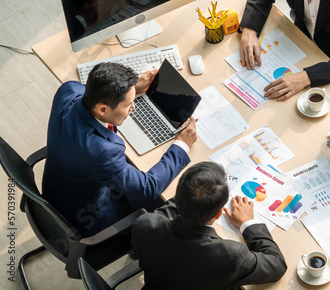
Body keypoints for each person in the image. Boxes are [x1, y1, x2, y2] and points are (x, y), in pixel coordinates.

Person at [42, 63, 197, 237]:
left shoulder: (68, 90)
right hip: (85, 218)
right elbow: (149, 187)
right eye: (128, 104)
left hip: (56, 190)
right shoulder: (103, 153)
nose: (134, 107)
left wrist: (133, 89)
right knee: (167, 203)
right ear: (103, 109)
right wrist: (182, 144)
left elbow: (97, 91)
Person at [132, 162, 287, 289]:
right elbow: (277, 265)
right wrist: (248, 223)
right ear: (219, 214)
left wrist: (198, 186)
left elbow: (173, 207)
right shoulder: (230, 255)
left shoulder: (146, 224)